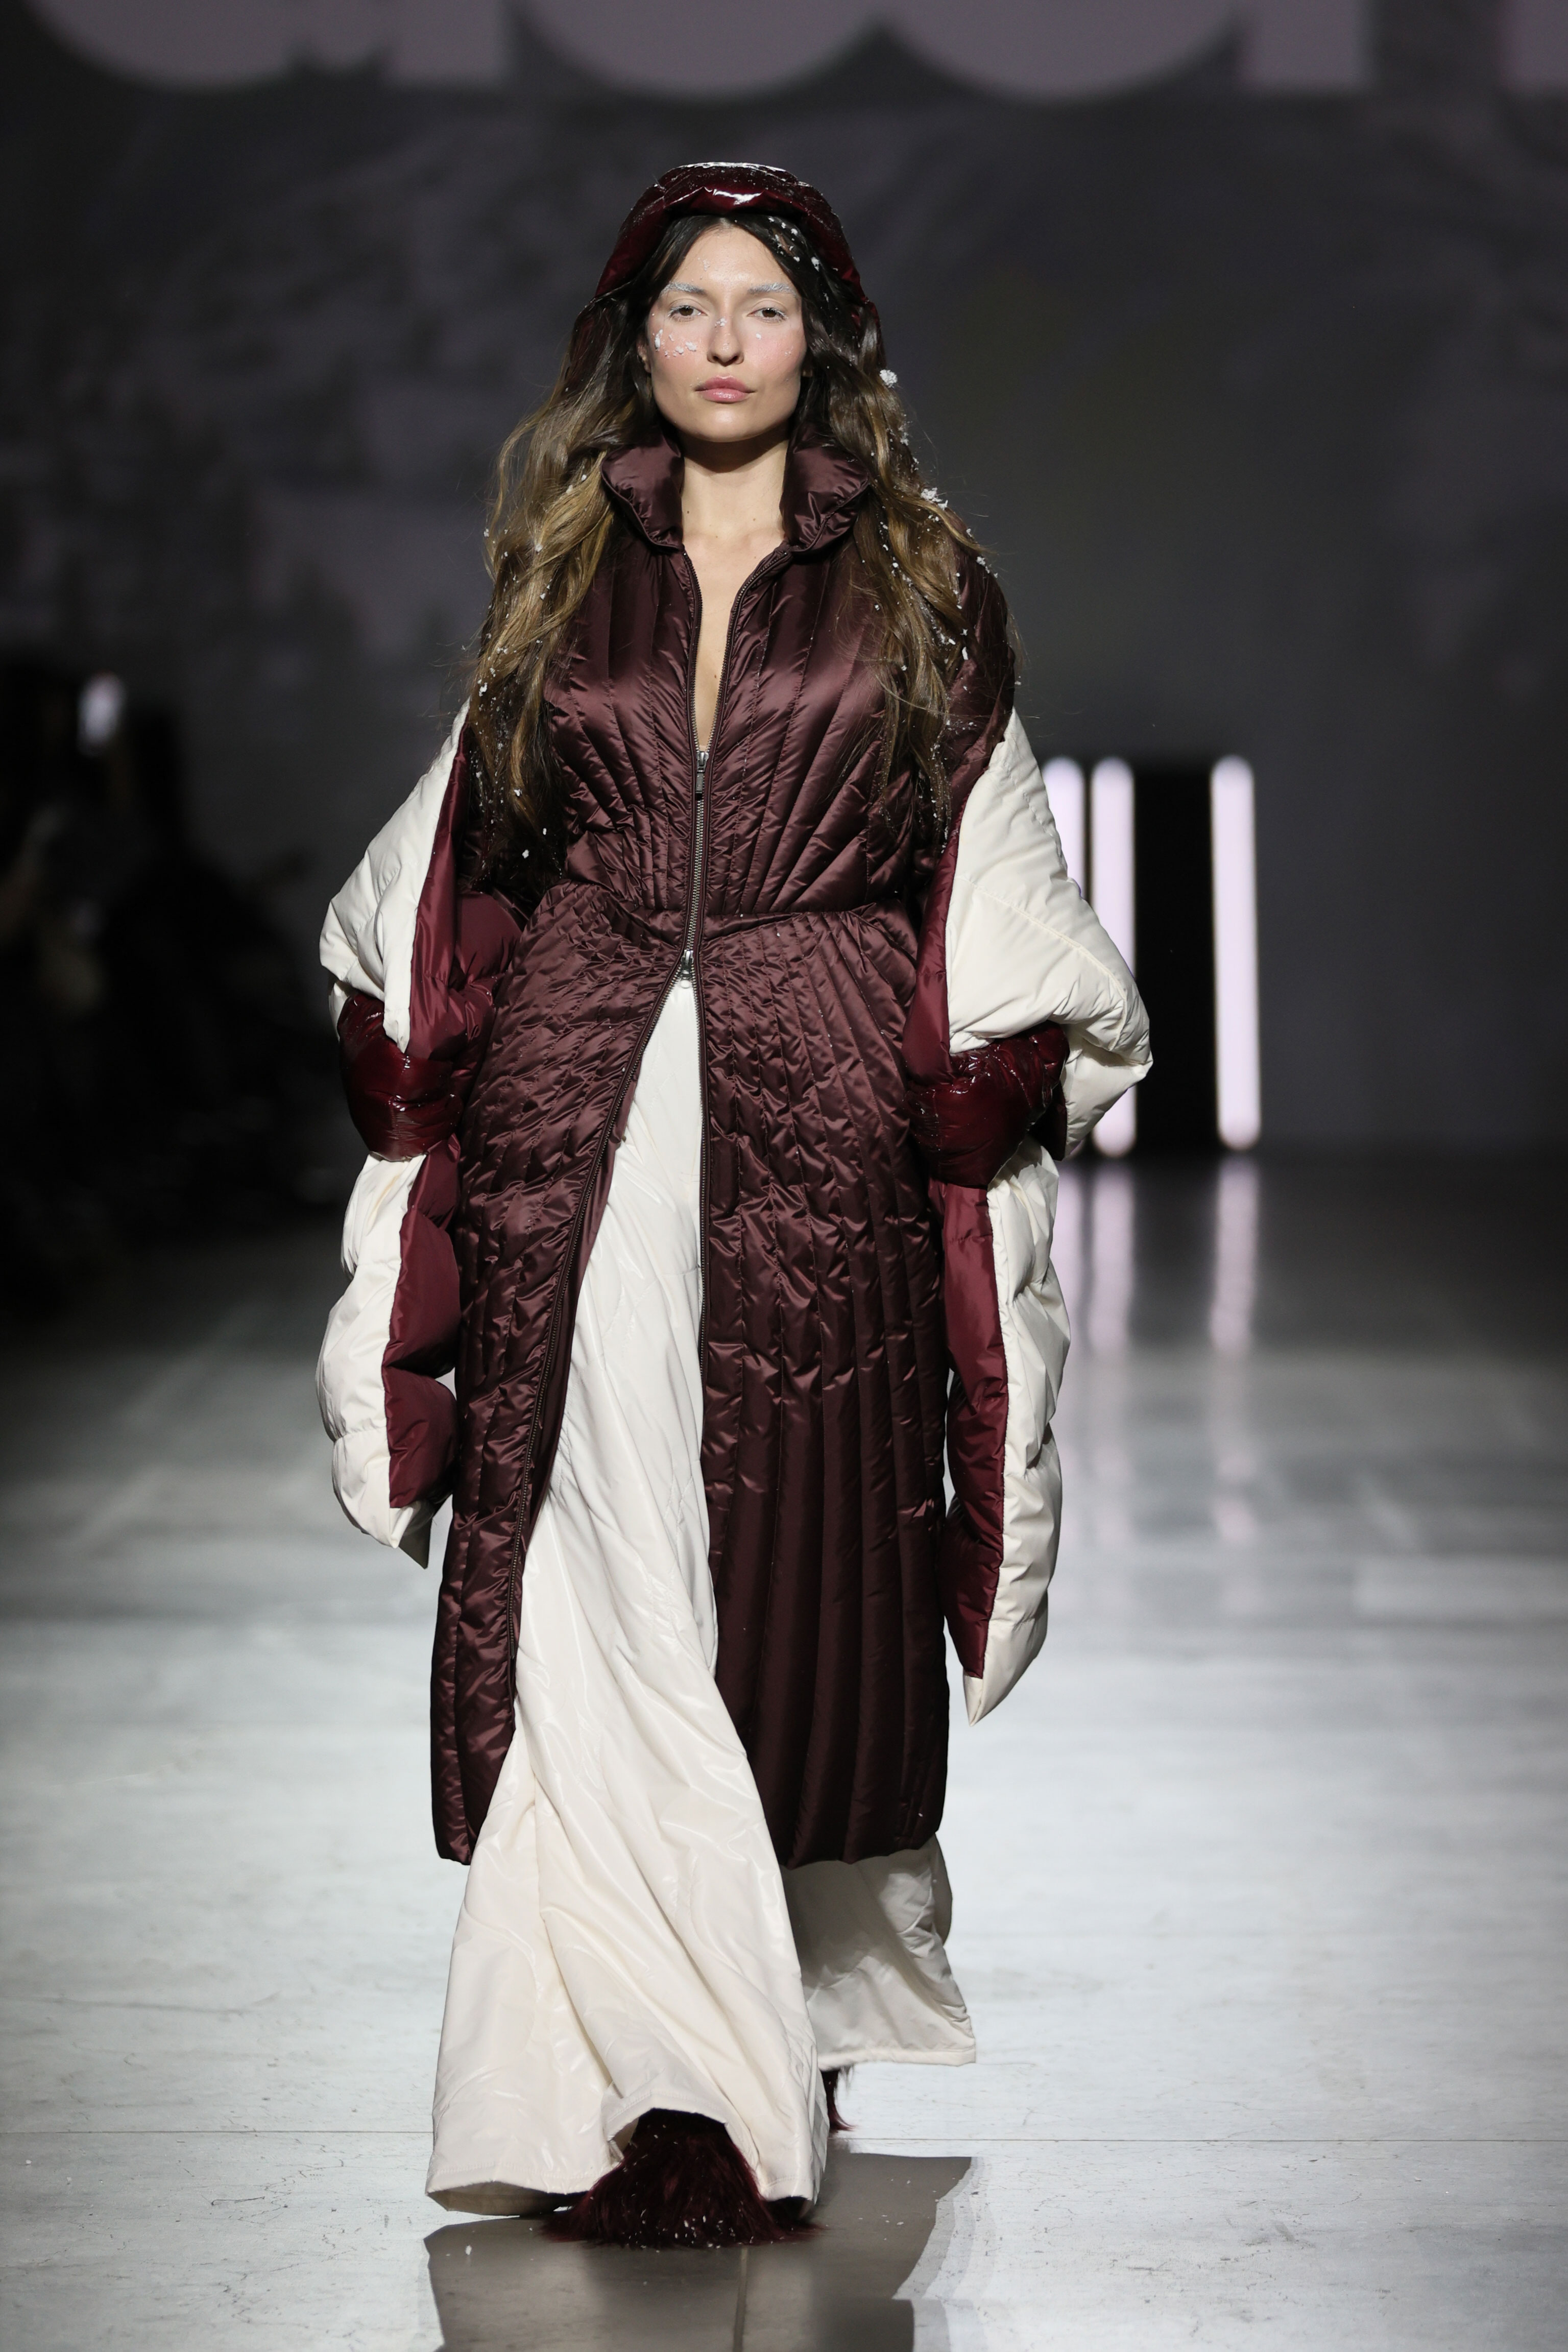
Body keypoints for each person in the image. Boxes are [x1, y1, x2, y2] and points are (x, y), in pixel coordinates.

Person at [317, 162, 1149, 2249]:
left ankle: (761, 2018)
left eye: (758, 307)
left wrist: (996, 1061)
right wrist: (416, 1044)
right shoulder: (557, 569)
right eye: (686, 305)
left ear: (821, 342)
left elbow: (995, 857)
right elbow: (471, 847)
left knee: (781, 1574)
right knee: (598, 1566)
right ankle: (646, 2086)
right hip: (581, 1118)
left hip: (822, 1125)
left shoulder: (925, 586)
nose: (720, 341)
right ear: (638, 337)